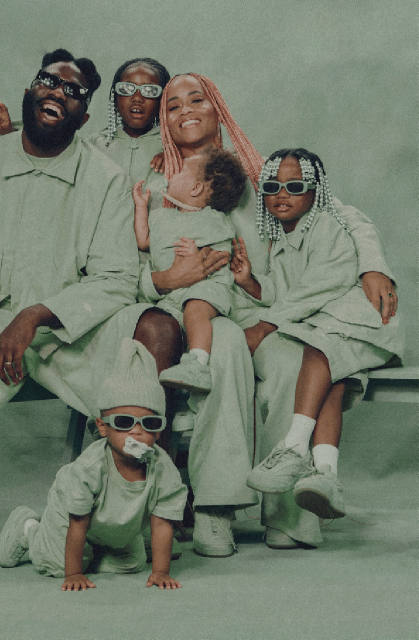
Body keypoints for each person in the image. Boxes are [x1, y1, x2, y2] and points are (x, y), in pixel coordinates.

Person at [0, 49, 181, 574]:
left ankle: (122, 513)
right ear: (29, 92)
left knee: (157, 326)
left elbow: (115, 277)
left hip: (70, 324)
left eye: (74, 92)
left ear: (84, 117)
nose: (58, 92)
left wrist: (39, 314)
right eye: (49, 81)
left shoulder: (106, 178)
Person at [138, 73, 398, 555]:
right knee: (224, 353)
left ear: (218, 108)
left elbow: (341, 214)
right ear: (164, 122)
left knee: (292, 363)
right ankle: (216, 508)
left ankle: (293, 513)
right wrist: (168, 277)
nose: (185, 110)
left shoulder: (259, 171)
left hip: (269, 307)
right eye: (172, 105)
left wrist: (372, 265)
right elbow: (130, 258)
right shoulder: (158, 183)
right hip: (201, 311)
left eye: (197, 99)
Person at [231, 148, 401, 526]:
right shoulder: (283, 239)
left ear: (315, 190)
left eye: (295, 186)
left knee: (317, 350)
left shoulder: (326, 224)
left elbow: (323, 284)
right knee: (331, 382)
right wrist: (251, 283)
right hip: (330, 326)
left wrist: (264, 326)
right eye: (272, 187)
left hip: (361, 321)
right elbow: (287, 292)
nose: (282, 194)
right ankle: (325, 474)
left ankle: (293, 447)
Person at [0, 338, 187, 590]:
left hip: (112, 528)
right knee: (57, 565)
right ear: (102, 427)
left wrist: (160, 572)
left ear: (159, 431)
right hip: (71, 514)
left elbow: (161, 522)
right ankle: (30, 529)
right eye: (123, 422)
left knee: (133, 565)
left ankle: (100, 548)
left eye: (149, 424)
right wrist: (74, 573)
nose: (136, 432)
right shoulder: (91, 467)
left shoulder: (163, 469)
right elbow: (78, 522)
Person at [133, 148, 246, 392]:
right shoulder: (162, 216)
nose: (172, 175)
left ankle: (197, 364)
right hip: (171, 296)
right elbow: (144, 241)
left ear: (195, 188)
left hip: (206, 290)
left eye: (181, 172)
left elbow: (222, 253)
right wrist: (141, 207)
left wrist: (197, 253)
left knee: (195, 310)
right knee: (160, 327)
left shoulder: (212, 220)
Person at [0, 57, 171, 187]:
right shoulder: (95, 144)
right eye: (126, 89)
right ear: (115, 98)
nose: (137, 98)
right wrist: (9, 132)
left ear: (163, 100)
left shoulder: (172, 147)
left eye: (150, 91)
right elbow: (52, 150)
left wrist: (175, 153)